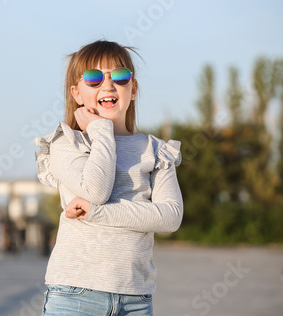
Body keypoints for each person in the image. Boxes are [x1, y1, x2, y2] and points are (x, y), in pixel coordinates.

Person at [33, 39, 183, 316]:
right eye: (93, 78)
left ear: (133, 88)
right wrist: (101, 130)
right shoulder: (68, 144)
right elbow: (94, 191)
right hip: (75, 296)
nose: (108, 85)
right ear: (76, 93)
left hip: (136, 299)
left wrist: (96, 214)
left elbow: (170, 217)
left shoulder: (156, 151)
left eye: (120, 76)